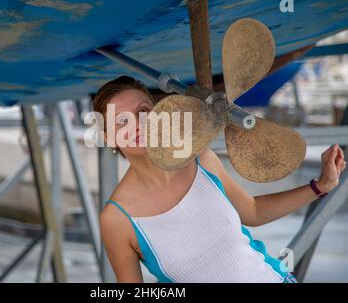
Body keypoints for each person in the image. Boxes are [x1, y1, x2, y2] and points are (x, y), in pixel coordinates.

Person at [95, 75, 346, 283]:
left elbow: (254, 211)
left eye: (143, 111)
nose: (138, 124)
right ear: (108, 138)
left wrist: (320, 186)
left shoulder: (199, 159)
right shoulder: (116, 219)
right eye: (122, 121)